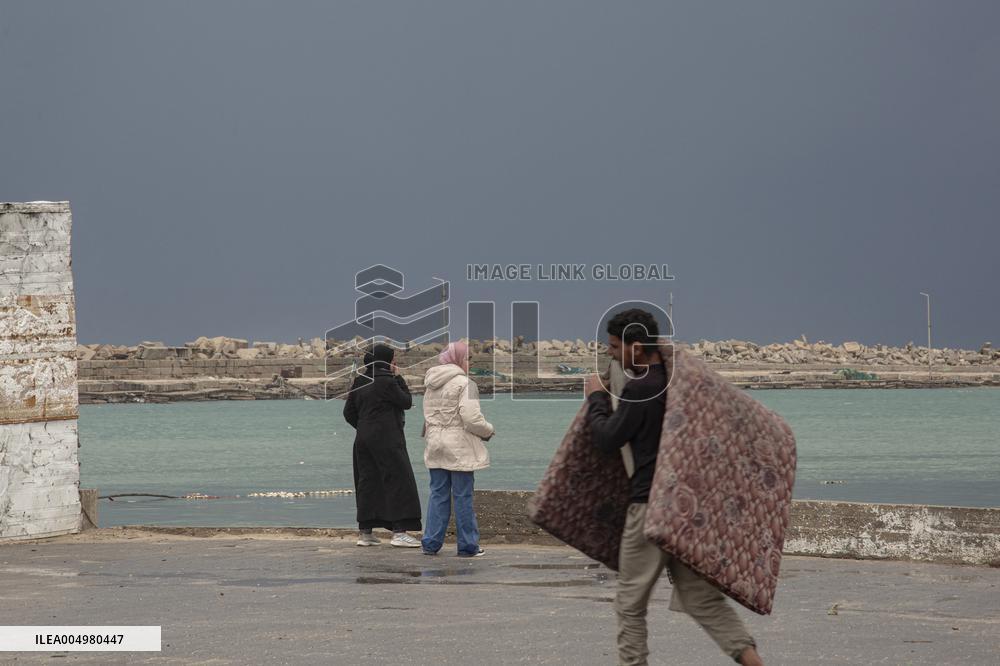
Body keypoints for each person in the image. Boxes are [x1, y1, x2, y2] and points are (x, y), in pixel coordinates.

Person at [584, 309, 764, 666]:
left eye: (615, 347)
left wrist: (596, 398)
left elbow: (607, 438)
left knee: (630, 604)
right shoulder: (679, 384)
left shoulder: (641, 391)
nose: (610, 354)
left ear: (636, 349)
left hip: (649, 509)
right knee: (701, 599)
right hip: (685, 510)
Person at [343, 343, 422, 548]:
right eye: (393, 359)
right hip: (388, 438)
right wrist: (398, 378)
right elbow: (405, 401)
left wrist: (364, 427)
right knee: (398, 480)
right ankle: (399, 532)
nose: (395, 362)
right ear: (386, 360)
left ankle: (365, 532)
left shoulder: (360, 380)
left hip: (363, 439)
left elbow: (348, 413)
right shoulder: (388, 381)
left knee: (367, 482)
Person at [420, 340, 495, 557]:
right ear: (459, 359)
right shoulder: (465, 383)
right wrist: (488, 431)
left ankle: (431, 543)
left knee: (438, 494)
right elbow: (471, 417)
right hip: (458, 445)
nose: (469, 362)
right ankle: (468, 546)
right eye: (467, 358)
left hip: (435, 443)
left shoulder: (431, 382)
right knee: (463, 496)